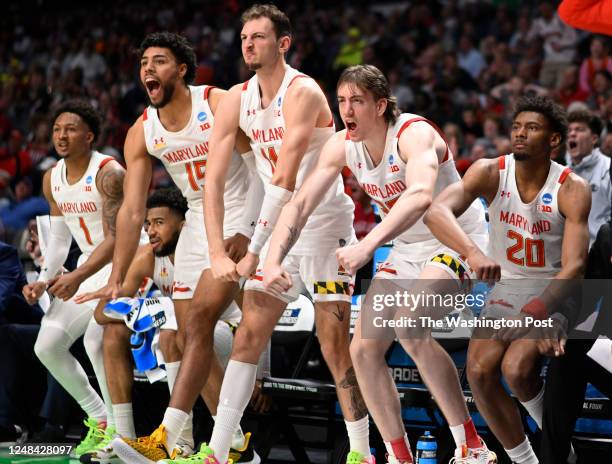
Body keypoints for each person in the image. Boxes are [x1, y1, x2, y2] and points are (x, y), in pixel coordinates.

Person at [264, 64, 495, 464]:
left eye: (356, 101)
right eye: (341, 100)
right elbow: (299, 203)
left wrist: (367, 246)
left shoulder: (413, 133)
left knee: (409, 325)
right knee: (364, 349)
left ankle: (471, 444)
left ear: (381, 105)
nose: (346, 109)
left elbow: (421, 196)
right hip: (405, 247)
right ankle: (398, 455)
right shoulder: (342, 145)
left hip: (455, 239)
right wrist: (271, 260)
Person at [77, 32, 262, 464]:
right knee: (180, 337)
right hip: (200, 217)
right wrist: (118, 278)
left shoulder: (215, 104)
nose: (147, 70)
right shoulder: (142, 131)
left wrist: (253, 228)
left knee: (198, 320)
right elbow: (130, 211)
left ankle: (168, 437)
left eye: (158, 61)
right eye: (143, 63)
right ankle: (230, 443)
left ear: (181, 69)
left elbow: (258, 168)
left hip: (241, 210)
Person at [203, 5, 371, 464]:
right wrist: (218, 251)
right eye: (243, 37)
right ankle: (219, 452)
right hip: (277, 230)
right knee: (248, 335)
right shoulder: (235, 99)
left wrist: (257, 253)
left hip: (322, 228)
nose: (248, 44)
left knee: (334, 345)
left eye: (258, 36)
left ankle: (361, 451)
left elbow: (284, 177)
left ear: (283, 43)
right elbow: (211, 181)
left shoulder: (304, 92)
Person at [424, 95, 591, 464]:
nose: (520, 134)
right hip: (507, 287)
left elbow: (575, 266)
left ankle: (559, 448)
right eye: (516, 127)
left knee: (516, 370)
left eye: (531, 128)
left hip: (555, 289)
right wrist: (472, 252)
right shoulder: (489, 171)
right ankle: (527, 460)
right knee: (480, 371)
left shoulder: (571, 187)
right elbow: (436, 211)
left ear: (553, 141)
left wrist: (533, 313)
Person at [21, 100, 127, 458]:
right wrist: (45, 279)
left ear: (90, 136)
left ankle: (118, 433)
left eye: (70, 129)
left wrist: (78, 275)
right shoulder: (52, 178)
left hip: (127, 268)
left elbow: (116, 239)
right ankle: (99, 420)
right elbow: (60, 236)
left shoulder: (109, 174)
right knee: (46, 346)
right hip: (87, 268)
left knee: (97, 340)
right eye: (56, 129)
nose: (61, 136)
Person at [566, 109, 611, 246]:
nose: (572, 133)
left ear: (594, 139)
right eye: (569, 130)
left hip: (600, 255)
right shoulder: (561, 172)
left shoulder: (608, 169)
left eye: (579, 129)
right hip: (567, 254)